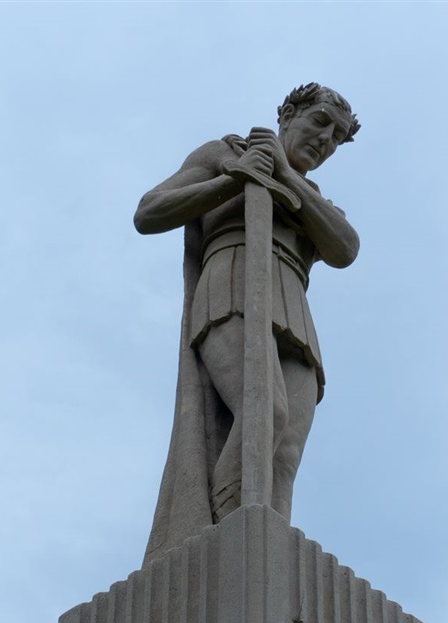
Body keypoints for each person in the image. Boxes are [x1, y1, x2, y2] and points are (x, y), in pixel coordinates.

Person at [135, 83, 360, 565]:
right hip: (233, 281)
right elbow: (149, 212)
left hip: (292, 300)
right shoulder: (226, 153)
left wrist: (284, 177)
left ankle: (267, 556)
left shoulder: (313, 197)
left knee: (285, 451)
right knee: (265, 412)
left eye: (337, 138)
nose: (325, 140)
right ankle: (223, 545)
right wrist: (232, 181)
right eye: (319, 122)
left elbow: (345, 248)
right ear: (287, 112)